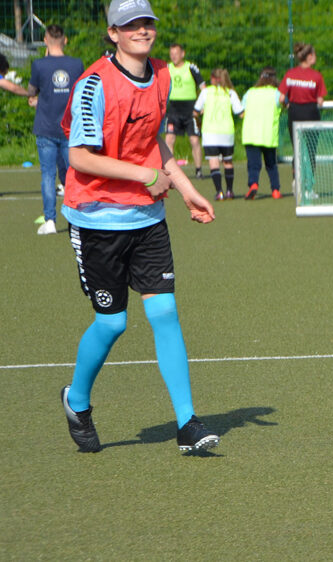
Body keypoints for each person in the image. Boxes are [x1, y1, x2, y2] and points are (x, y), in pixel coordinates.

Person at [59, 0, 219, 454]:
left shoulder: (163, 77)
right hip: (97, 219)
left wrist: (186, 189)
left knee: (165, 313)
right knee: (112, 324)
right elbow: (79, 156)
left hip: (148, 218)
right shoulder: (94, 84)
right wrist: (144, 176)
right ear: (113, 32)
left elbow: (153, 145)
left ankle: (187, 423)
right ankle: (78, 401)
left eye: (146, 22)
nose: (141, 30)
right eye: (130, 25)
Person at [27, 24, 84, 236]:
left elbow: (32, 91)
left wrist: (35, 99)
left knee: (48, 175)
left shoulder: (39, 65)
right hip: (70, 128)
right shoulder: (76, 64)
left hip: (46, 127)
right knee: (74, 175)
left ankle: (50, 220)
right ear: (65, 40)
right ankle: (76, 220)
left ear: (45, 40)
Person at [278, 42, 326, 181]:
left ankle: (296, 182)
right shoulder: (316, 76)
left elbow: (281, 97)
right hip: (311, 113)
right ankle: (309, 185)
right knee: (311, 150)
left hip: (294, 113)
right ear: (310, 56)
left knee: (297, 150)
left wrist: (287, 104)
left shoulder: (290, 74)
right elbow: (320, 100)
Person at [193, 67, 243, 200]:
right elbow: (240, 112)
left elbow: (195, 111)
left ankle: (219, 192)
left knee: (214, 162)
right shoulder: (230, 92)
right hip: (227, 132)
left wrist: (199, 118)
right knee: (228, 161)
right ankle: (230, 191)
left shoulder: (206, 92)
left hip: (210, 133)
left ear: (214, 79)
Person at [164, 43, 205, 179]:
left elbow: (203, 87)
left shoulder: (191, 67)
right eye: (171, 54)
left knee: (194, 140)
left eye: (176, 53)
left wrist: (202, 105)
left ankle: (198, 170)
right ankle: (171, 171)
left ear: (182, 54)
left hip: (190, 110)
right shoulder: (167, 68)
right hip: (174, 110)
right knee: (169, 139)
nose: (173, 56)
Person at [242, 66, 282, 200]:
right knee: (271, 164)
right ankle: (275, 190)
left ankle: (253, 184)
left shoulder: (250, 92)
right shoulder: (276, 93)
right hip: (268, 134)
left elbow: (242, 110)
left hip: (251, 134)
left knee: (253, 164)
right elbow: (284, 104)